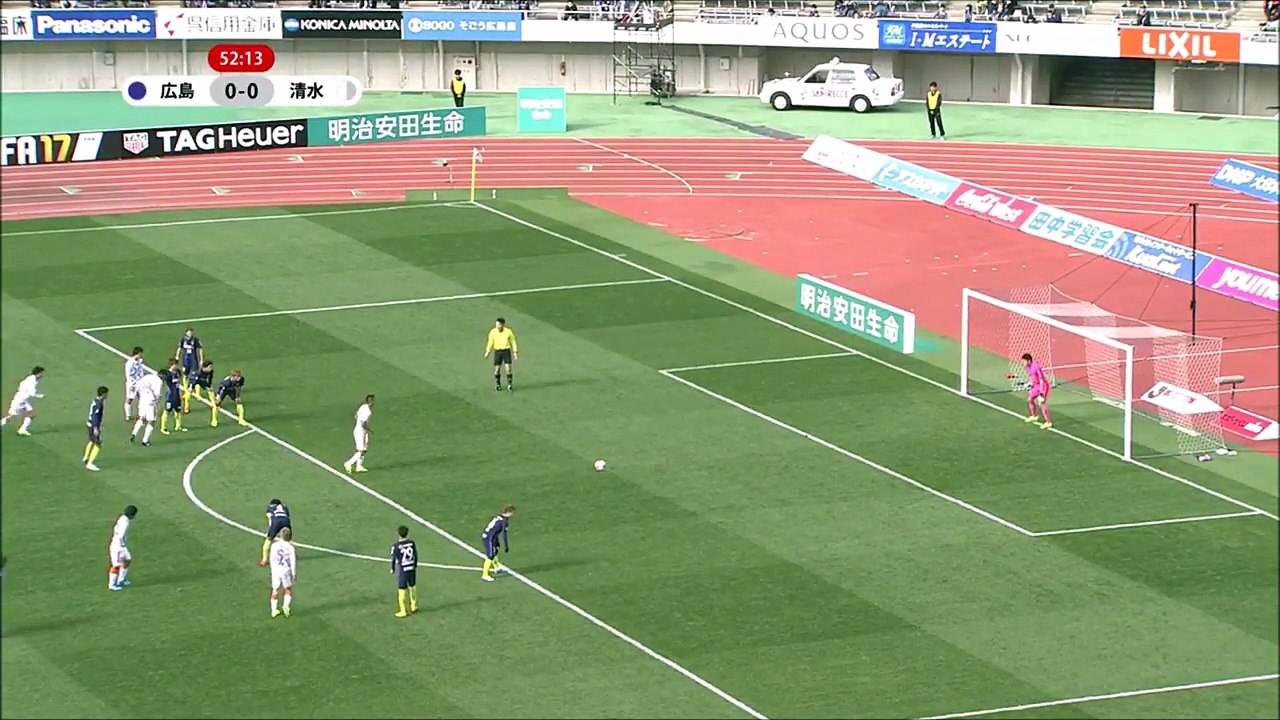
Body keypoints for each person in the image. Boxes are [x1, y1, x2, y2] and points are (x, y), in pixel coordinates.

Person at [2, 365, 44, 436]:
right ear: (38, 373)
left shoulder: (30, 378)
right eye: (41, 373)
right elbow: (32, 393)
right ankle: (21, 429)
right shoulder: (32, 381)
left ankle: (22, 429)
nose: (42, 375)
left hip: (23, 401)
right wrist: (40, 396)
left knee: (31, 414)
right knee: (11, 416)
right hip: (20, 401)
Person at [480, 504, 515, 582]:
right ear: (508, 512)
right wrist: (506, 546)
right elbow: (504, 534)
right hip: (489, 538)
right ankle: (485, 575)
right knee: (490, 556)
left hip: (490, 536)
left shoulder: (499, 517)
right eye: (512, 513)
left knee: (495, 551)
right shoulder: (504, 521)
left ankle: (496, 568)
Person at [390, 525, 419, 618]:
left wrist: (392, 568)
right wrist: (415, 565)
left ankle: (403, 611)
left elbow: (394, 558)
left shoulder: (396, 546)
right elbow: (415, 554)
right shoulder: (412, 543)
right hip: (411, 569)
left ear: (398, 534)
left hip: (403, 570)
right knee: (412, 587)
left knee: (402, 589)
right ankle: (414, 606)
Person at [484, 317, 519, 392]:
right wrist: (487, 351)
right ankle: (498, 384)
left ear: (502, 325)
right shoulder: (493, 332)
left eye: (498, 325)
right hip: (498, 352)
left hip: (506, 351)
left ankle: (509, 384)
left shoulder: (508, 332)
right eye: (496, 324)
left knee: (508, 368)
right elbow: (490, 342)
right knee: (497, 370)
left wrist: (515, 352)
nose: (497, 326)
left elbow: (513, 341)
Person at [268, 527, 297, 618]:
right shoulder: (290, 547)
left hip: (276, 570)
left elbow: (271, 558)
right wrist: (293, 572)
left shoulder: (274, 545)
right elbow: (293, 561)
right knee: (288, 589)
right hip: (285, 570)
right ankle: (286, 606)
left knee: (275, 589)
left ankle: (274, 610)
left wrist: (272, 569)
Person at [108, 505, 138, 591]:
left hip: (120, 545)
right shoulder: (125, 522)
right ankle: (112, 585)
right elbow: (121, 535)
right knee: (116, 566)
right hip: (118, 546)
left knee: (127, 559)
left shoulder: (123, 518)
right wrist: (122, 545)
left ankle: (121, 579)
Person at [130, 371, 163, 446]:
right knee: (151, 421)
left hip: (142, 400)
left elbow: (137, 387)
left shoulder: (147, 376)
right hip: (150, 403)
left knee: (142, 418)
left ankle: (134, 433)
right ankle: (145, 440)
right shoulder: (158, 381)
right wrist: (157, 403)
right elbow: (157, 394)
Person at [344, 395, 374, 474]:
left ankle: (359, 466)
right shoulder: (367, 411)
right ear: (370, 401)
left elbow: (356, 416)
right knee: (360, 450)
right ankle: (348, 463)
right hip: (360, 432)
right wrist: (369, 430)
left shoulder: (363, 407)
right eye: (373, 400)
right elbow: (363, 424)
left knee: (364, 449)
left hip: (362, 431)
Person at [1021, 352, 1052, 429]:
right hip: (1036, 386)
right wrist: (1030, 384)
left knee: (1041, 402)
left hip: (1043, 386)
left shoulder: (1036, 367)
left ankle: (1048, 422)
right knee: (1030, 399)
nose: (1023, 363)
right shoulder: (1027, 368)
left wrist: (1041, 392)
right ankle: (1034, 416)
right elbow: (1033, 377)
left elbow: (1041, 378)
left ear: (1029, 361)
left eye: (1024, 361)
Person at [83, 385, 108, 472]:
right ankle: (90, 463)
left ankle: (86, 457)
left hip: (89, 424)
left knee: (91, 441)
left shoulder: (95, 401)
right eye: (106, 394)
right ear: (103, 394)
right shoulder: (99, 404)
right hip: (93, 426)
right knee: (98, 444)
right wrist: (96, 428)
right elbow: (95, 417)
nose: (107, 396)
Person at [260, 499, 291, 567]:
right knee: (287, 540)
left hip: (276, 521)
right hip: (286, 521)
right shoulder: (284, 507)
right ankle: (288, 556)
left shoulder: (270, 507)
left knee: (268, 540)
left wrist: (270, 530)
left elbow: (270, 518)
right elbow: (287, 516)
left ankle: (264, 560)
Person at [159, 358, 186, 435]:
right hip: (170, 396)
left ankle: (178, 426)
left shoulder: (177, 372)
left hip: (177, 394)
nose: (177, 366)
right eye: (175, 365)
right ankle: (163, 427)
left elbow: (178, 383)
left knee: (178, 410)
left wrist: (181, 393)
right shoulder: (167, 374)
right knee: (167, 411)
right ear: (171, 365)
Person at [174, 327, 204, 396]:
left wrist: (201, 359)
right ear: (186, 333)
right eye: (189, 332)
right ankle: (185, 389)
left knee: (196, 375)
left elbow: (200, 349)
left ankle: (197, 392)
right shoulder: (183, 339)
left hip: (193, 360)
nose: (190, 334)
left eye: (191, 332)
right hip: (186, 360)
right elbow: (179, 348)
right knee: (185, 374)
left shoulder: (195, 340)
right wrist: (177, 356)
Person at [123, 346, 145, 421]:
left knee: (142, 398)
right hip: (132, 384)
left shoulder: (139, 362)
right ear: (137, 353)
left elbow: (141, 372)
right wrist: (132, 384)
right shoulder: (129, 363)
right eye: (140, 354)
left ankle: (141, 414)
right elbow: (128, 375)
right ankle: (128, 415)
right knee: (129, 399)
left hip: (140, 383)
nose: (141, 355)